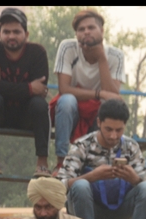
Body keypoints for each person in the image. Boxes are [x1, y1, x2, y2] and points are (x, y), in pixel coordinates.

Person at [58, 98, 146, 219]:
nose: (113, 136)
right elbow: (60, 184)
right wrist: (92, 177)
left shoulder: (131, 147)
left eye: (119, 130)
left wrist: (134, 179)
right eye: (108, 129)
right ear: (99, 123)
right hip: (87, 210)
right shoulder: (82, 145)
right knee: (80, 186)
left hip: (121, 212)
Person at [0, 8, 50, 177]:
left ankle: (43, 162)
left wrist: (0, 83)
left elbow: (40, 90)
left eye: (16, 32)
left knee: (40, 104)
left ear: (26, 34)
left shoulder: (38, 53)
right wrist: (28, 88)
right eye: (6, 32)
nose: (11, 36)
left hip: (27, 114)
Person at [52, 9, 125, 168]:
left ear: (102, 30)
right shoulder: (67, 47)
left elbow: (112, 97)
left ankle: (98, 164)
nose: (86, 32)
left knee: (109, 107)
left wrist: (101, 58)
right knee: (66, 101)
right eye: (81, 29)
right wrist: (99, 93)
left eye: (91, 27)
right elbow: (64, 89)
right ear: (76, 34)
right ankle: (61, 162)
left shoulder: (116, 55)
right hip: (73, 109)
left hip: (97, 112)